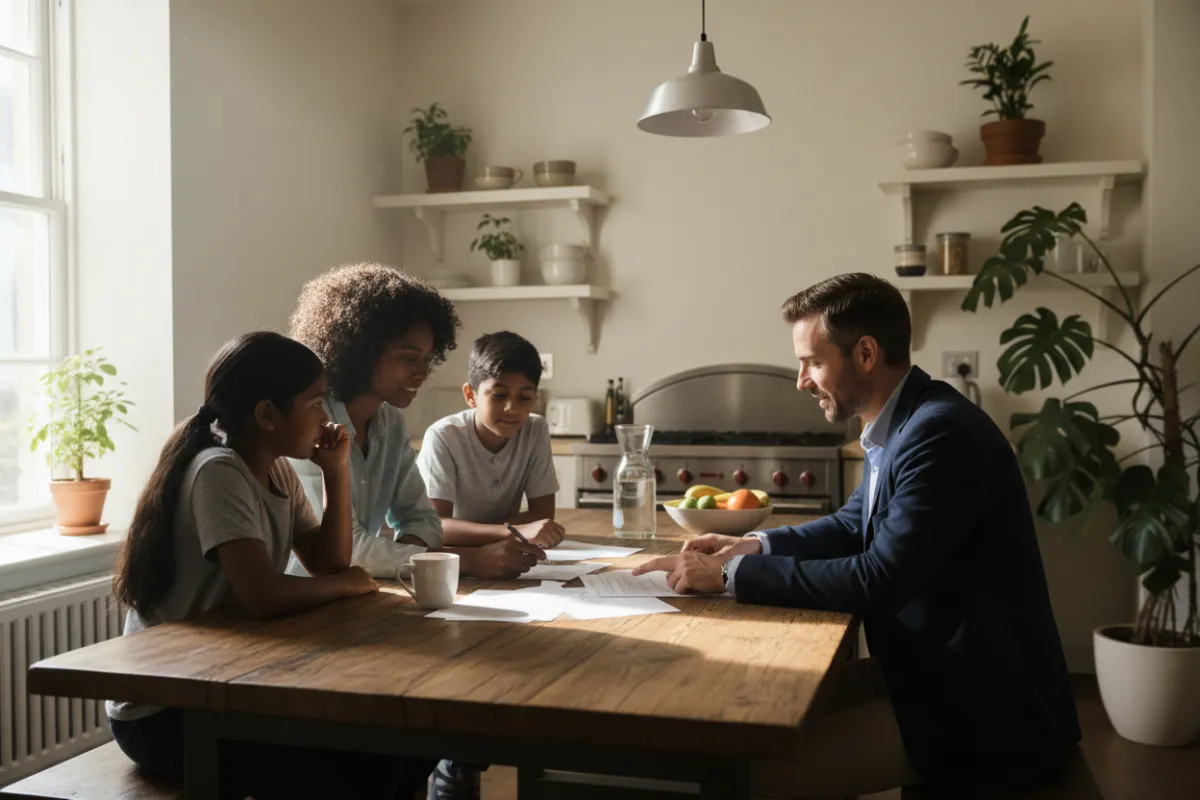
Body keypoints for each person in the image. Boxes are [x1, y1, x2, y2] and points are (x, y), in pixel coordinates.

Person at [634, 273, 1080, 798]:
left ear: (866, 353)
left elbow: (879, 579)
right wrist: (752, 546)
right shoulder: (906, 420)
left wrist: (730, 574)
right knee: (736, 722)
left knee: (742, 774)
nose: (801, 380)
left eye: (813, 362)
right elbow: (854, 523)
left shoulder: (939, 433)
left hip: (978, 713)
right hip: (928, 674)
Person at [108, 331, 430, 798]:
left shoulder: (275, 468)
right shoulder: (218, 471)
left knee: (405, 746)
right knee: (370, 765)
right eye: (316, 404)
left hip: (221, 687)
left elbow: (327, 563)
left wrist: (335, 473)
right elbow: (263, 595)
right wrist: (348, 585)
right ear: (267, 414)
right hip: (165, 712)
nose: (325, 419)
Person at [285, 263, 542, 580]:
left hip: (358, 596)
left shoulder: (390, 423)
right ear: (360, 352)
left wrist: (413, 563)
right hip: (297, 603)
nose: (422, 372)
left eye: (427, 359)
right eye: (409, 358)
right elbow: (344, 550)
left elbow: (423, 520)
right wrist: (461, 562)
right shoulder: (309, 422)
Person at [415, 331, 563, 800]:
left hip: (499, 565)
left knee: (519, 660)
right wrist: (508, 529)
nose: (512, 410)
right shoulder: (444, 436)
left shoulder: (535, 430)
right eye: (498, 395)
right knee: (459, 663)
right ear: (470, 393)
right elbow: (434, 525)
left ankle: (468, 761)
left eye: (525, 397)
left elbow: (544, 515)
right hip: (442, 564)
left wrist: (520, 531)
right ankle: (453, 765)